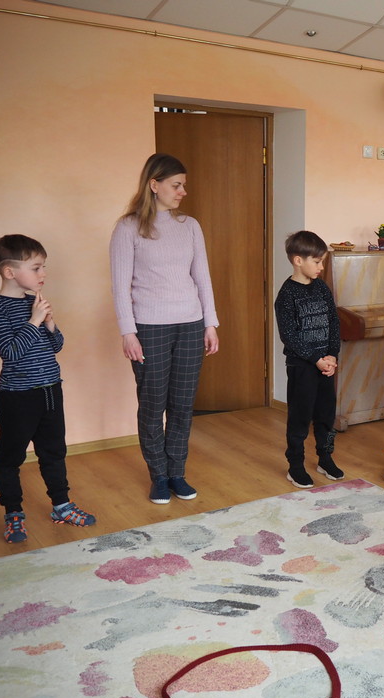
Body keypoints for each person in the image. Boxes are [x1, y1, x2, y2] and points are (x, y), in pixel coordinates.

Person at [110, 153, 219, 505]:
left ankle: (177, 473)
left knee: (183, 405)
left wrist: (210, 323)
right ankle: (158, 476)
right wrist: (128, 331)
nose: (183, 191)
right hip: (148, 328)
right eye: (176, 185)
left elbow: (202, 277)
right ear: (154, 185)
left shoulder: (190, 226)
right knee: (152, 405)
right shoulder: (128, 227)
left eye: (183, 185)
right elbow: (120, 285)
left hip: (190, 324)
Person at [0, 234, 96, 543]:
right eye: (36, 268)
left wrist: (49, 323)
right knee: (10, 458)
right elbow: (11, 352)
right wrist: (34, 321)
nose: (43, 274)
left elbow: (56, 346)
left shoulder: (32, 303)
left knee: (54, 452)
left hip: (51, 390)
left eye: (43, 267)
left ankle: (61, 506)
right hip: (17, 398)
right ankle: (13, 513)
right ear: (9, 272)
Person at [274, 231, 343, 489]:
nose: (321, 266)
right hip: (302, 367)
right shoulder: (286, 295)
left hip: (326, 365)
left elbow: (333, 321)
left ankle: (325, 458)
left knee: (326, 415)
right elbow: (289, 335)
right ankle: (295, 465)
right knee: (300, 417)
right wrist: (316, 359)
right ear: (298, 260)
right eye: (317, 261)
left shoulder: (322, 288)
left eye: (321, 261)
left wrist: (332, 354)